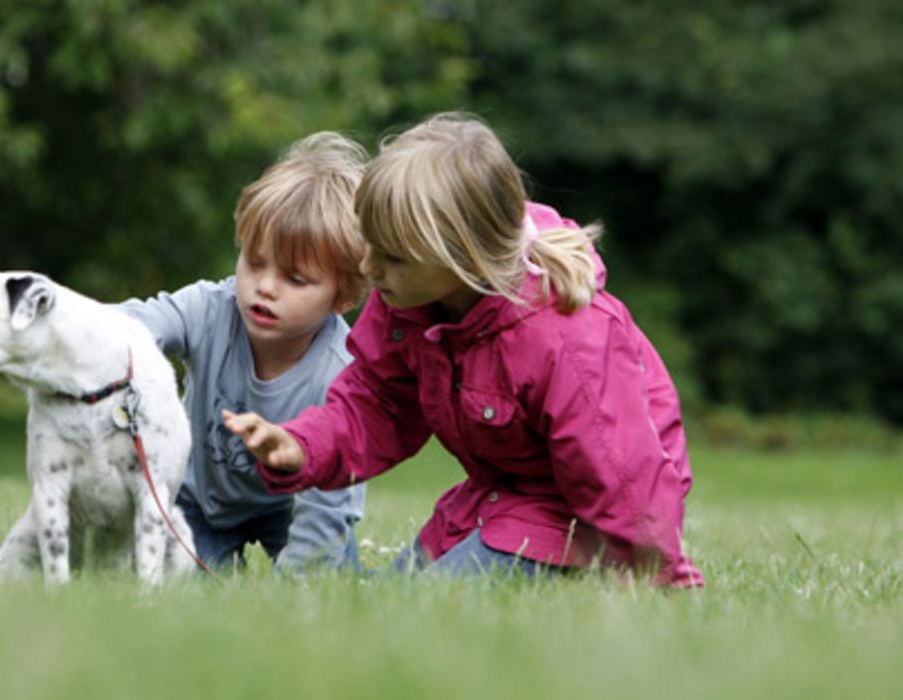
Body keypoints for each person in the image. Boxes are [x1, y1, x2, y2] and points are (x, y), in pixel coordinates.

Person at [223, 113, 703, 587]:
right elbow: (377, 402)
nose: (368, 267)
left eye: (392, 258)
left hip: (577, 518)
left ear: (460, 258)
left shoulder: (563, 338)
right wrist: (302, 445)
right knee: (380, 604)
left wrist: (659, 583)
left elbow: (624, 477)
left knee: (422, 610)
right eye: (369, 245)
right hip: (495, 500)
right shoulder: (410, 298)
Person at [119, 132, 370, 572]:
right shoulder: (209, 309)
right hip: (198, 499)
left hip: (294, 506)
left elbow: (331, 501)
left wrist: (293, 587)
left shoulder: (341, 375)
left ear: (343, 295)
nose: (265, 287)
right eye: (255, 262)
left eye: (296, 279)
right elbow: (131, 325)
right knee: (164, 583)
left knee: (332, 582)